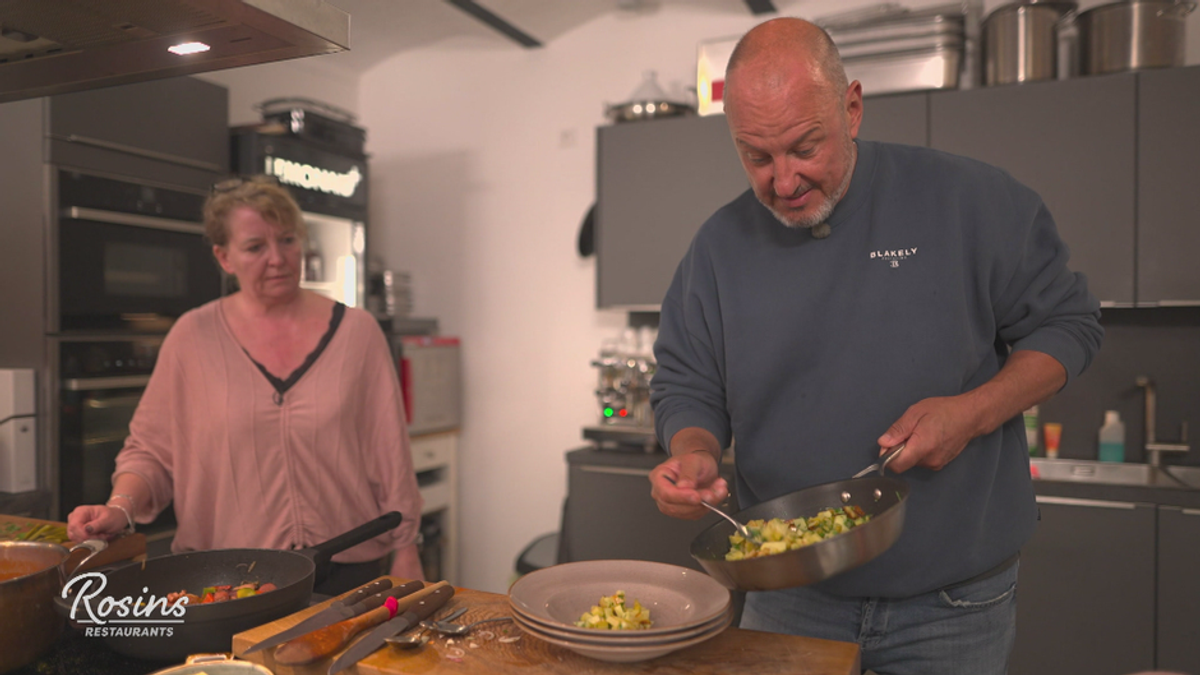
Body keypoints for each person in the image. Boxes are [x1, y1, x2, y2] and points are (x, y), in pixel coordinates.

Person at [647, 18, 1103, 675]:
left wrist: (972, 412)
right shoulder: (718, 249)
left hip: (953, 602)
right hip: (787, 596)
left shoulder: (970, 200)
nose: (783, 180)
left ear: (851, 107)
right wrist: (692, 451)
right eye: (756, 155)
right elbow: (687, 380)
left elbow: (1069, 323)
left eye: (805, 146)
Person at [67, 176, 424, 594]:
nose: (278, 258)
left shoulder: (357, 332)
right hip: (226, 577)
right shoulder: (192, 337)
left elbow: (390, 453)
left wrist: (406, 548)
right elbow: (151, 451)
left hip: (349, 567)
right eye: (256, 247)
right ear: (224, 258)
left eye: (288, 240)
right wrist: (119, 509)